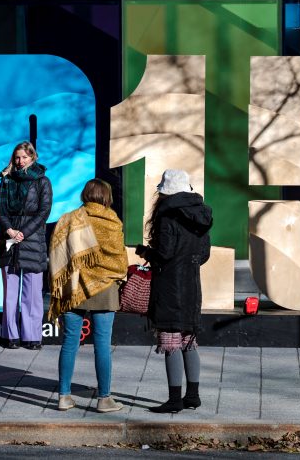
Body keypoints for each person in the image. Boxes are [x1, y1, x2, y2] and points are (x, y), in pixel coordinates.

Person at [48, 179, 128, 412]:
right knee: (102, 344)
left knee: (70, 342)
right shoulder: (113, 222)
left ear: (85, 195)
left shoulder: (70, 219)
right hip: (104, 290)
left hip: (74, 290)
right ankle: (104, 399)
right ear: (107, 197)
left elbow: (58, 253)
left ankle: (64, 396)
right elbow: (119, 258)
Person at [136, 169, 212, 414]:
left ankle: (174, 399)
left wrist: (146, 252)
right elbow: (204, 255)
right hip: (192, 284)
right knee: (189, 340)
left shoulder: (167, 215)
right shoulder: (200, 214)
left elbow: (165, 253)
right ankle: (193, 396)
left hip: (170, 286)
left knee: (170, 342)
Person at [0, 141, 53, 350]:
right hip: (8, 240)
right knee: (10, 291)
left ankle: (32, 336)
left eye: (24, 157)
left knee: (32, 292)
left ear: (33, 157)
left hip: (33, 240)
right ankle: (10, 335)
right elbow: (0, 210)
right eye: (17, 157)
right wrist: (10, 231)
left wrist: (24, 233)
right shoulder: (7, 180)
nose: (20, 161)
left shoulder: (42, 181)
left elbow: (44, 211)